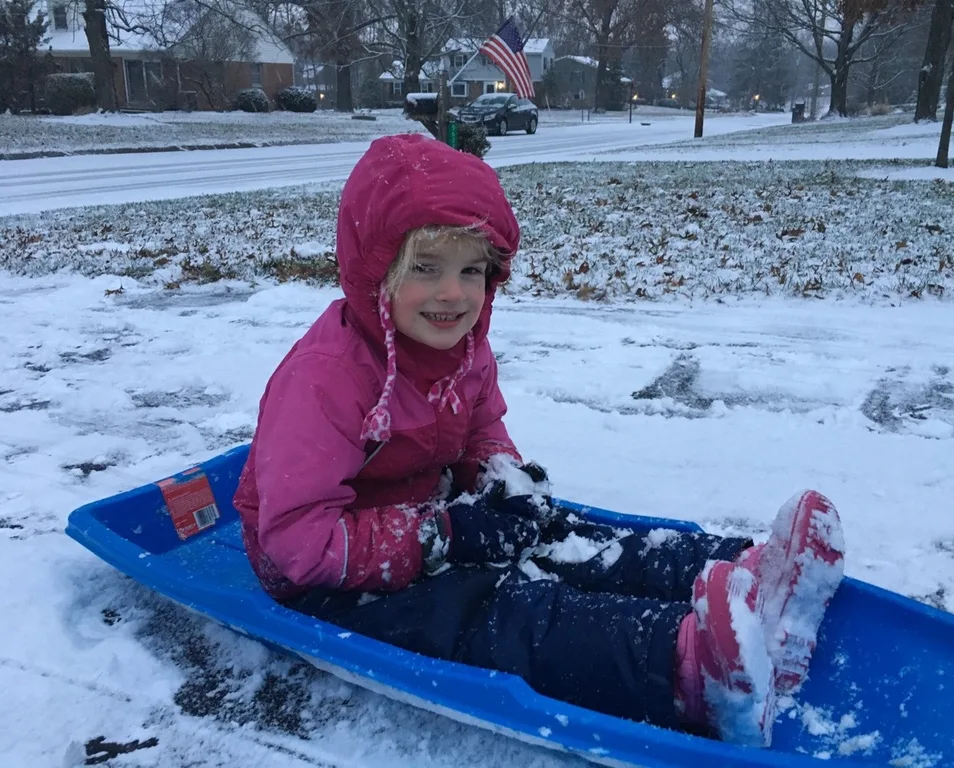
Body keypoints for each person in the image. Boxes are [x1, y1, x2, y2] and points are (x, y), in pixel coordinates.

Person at [233, 133, 845, 747]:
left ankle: (748, 577)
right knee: (494, 610)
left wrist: (502, 479)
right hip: (333, 574)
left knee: (560, 536)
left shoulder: (463, 349)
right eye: (426, 268)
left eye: (471, 271)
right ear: (376, 271)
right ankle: (687, 668)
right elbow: (297, 542)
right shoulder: (325, 379)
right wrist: (440, 537)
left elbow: (480, 428)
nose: (454, 293)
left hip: (430, 513)